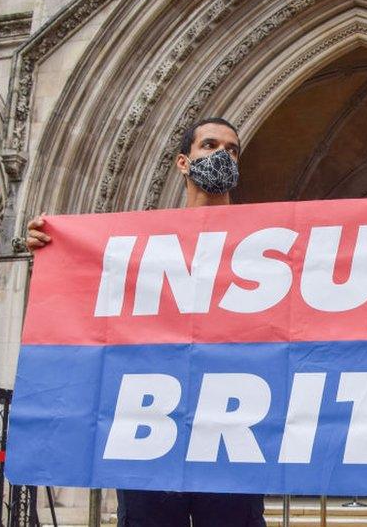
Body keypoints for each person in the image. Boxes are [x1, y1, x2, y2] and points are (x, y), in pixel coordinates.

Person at [26, 118, 265, 527]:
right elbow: (93, 304)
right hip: (151, 429)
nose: (223, 155)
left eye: (232, 149)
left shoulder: (264, 242)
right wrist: (55, 253)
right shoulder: (142, 242)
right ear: (183, 162)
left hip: (231, 432)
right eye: (210, 145)